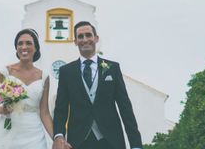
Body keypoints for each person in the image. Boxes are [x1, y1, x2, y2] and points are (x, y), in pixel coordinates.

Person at [52, 21, 142, 149]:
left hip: (111, 140)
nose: (85, 39)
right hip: (78, 141)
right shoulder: (66, 72)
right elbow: (61, 109)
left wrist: (136, 145)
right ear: (75, 41)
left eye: (88, 35)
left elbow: (125, 108)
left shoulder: (112, 68)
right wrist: (59, 135)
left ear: (96, 38)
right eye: (80, 37)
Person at [0, 28, 53, 149]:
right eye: (20, 43)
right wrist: (3, 110)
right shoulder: (5, 72)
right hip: (10, 133)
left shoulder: (44, 77)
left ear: (36, 48)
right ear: (16, 48)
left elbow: (45, 113)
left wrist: (58, 139)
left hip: (35, 135)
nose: (24, 47)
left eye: (28, 43)